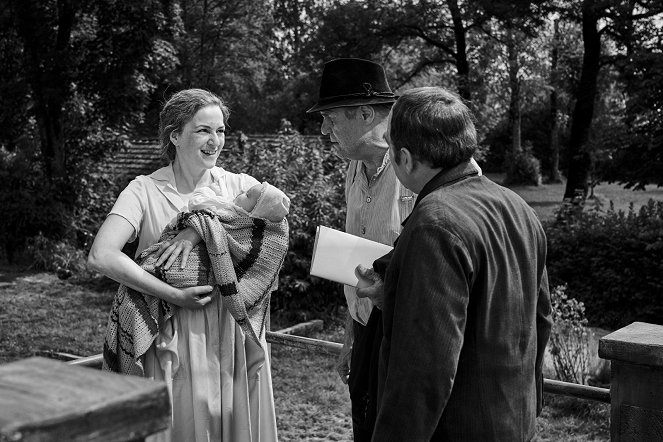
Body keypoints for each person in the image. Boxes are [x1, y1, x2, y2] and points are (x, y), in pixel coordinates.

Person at [357, 86, 552, 441]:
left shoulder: (434, 222)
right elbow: (540, 318)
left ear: (405, 157)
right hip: (514, 421)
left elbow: (425, 367)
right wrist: (394, 295)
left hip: (458, 427)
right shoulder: (519, 207)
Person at [88, 88, 280, 442]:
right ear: (174, 135)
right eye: (203, 130)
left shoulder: (239, 186)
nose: (215, 141)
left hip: (232, 330)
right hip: (171, 334)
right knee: (181, 426)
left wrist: (197, 227)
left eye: (220, 130)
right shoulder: (144, 190)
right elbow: (102, 254)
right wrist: (171, 295)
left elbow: (279, 218)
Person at [307, 58, 481, 441]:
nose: (324, 131)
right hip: (370, 323)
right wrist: (352, 337)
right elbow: (357, 264)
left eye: (331, 120)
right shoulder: (353, 169)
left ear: (366, 113)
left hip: (416, 329)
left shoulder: (424, 162)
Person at [189, 181, 290, 223]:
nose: (242, 191)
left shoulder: (228, 215)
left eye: (247, 195)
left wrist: (210, 193)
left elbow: (195, 203)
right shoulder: (233, 207)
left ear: (253, 213)